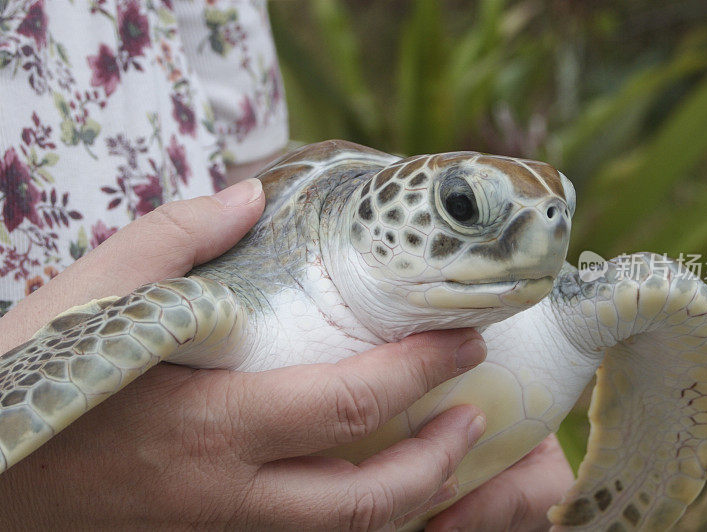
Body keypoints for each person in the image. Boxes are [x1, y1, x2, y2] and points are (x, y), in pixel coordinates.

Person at [0, 1, 572, 529]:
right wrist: (27, 494)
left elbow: (250, 182)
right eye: (463, 207)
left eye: (560, 210)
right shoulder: (183, 311)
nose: (549, 229)